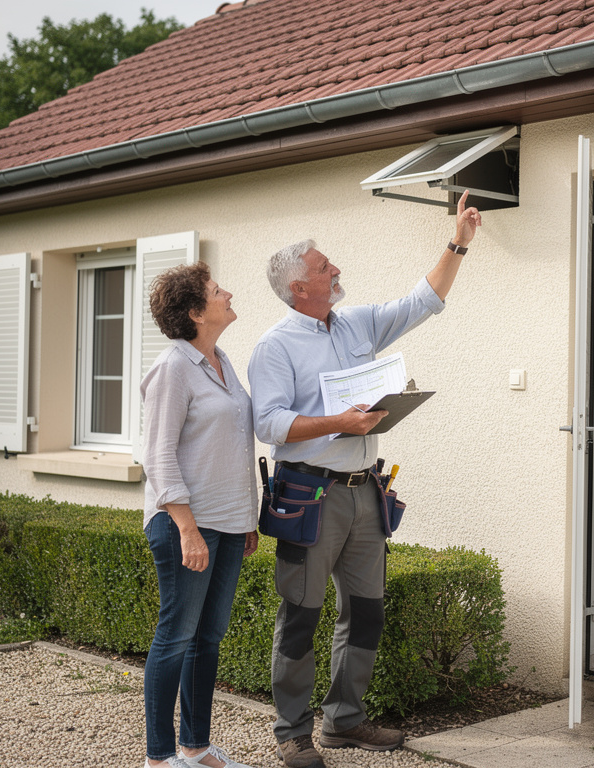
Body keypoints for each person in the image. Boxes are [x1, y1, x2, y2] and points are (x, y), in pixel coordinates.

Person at [248, 192, 482, 768]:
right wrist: (340, 422)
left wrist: (458, 243)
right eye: (325, 267)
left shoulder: (353, 324)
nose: (336, 271)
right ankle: (292, 732)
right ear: (299, 287)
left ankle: (343, 722)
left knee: (367, 612)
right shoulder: (274, 347)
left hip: (364, 492)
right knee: (299, 616)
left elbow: (421, 302)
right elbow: (268, 423)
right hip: (310, 493)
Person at [140, 262, 260, 768]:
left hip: (230, 524)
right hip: (185, 525)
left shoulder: (224, 362)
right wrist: (187, 529)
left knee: (207, 638)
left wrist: (247, 518)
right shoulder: (173, 367)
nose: (228, 293)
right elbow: (157, 454)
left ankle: (196, 746)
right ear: (195, 312)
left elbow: (233, 444)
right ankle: (160, 757)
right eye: (216, 291)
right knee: (176, 635)